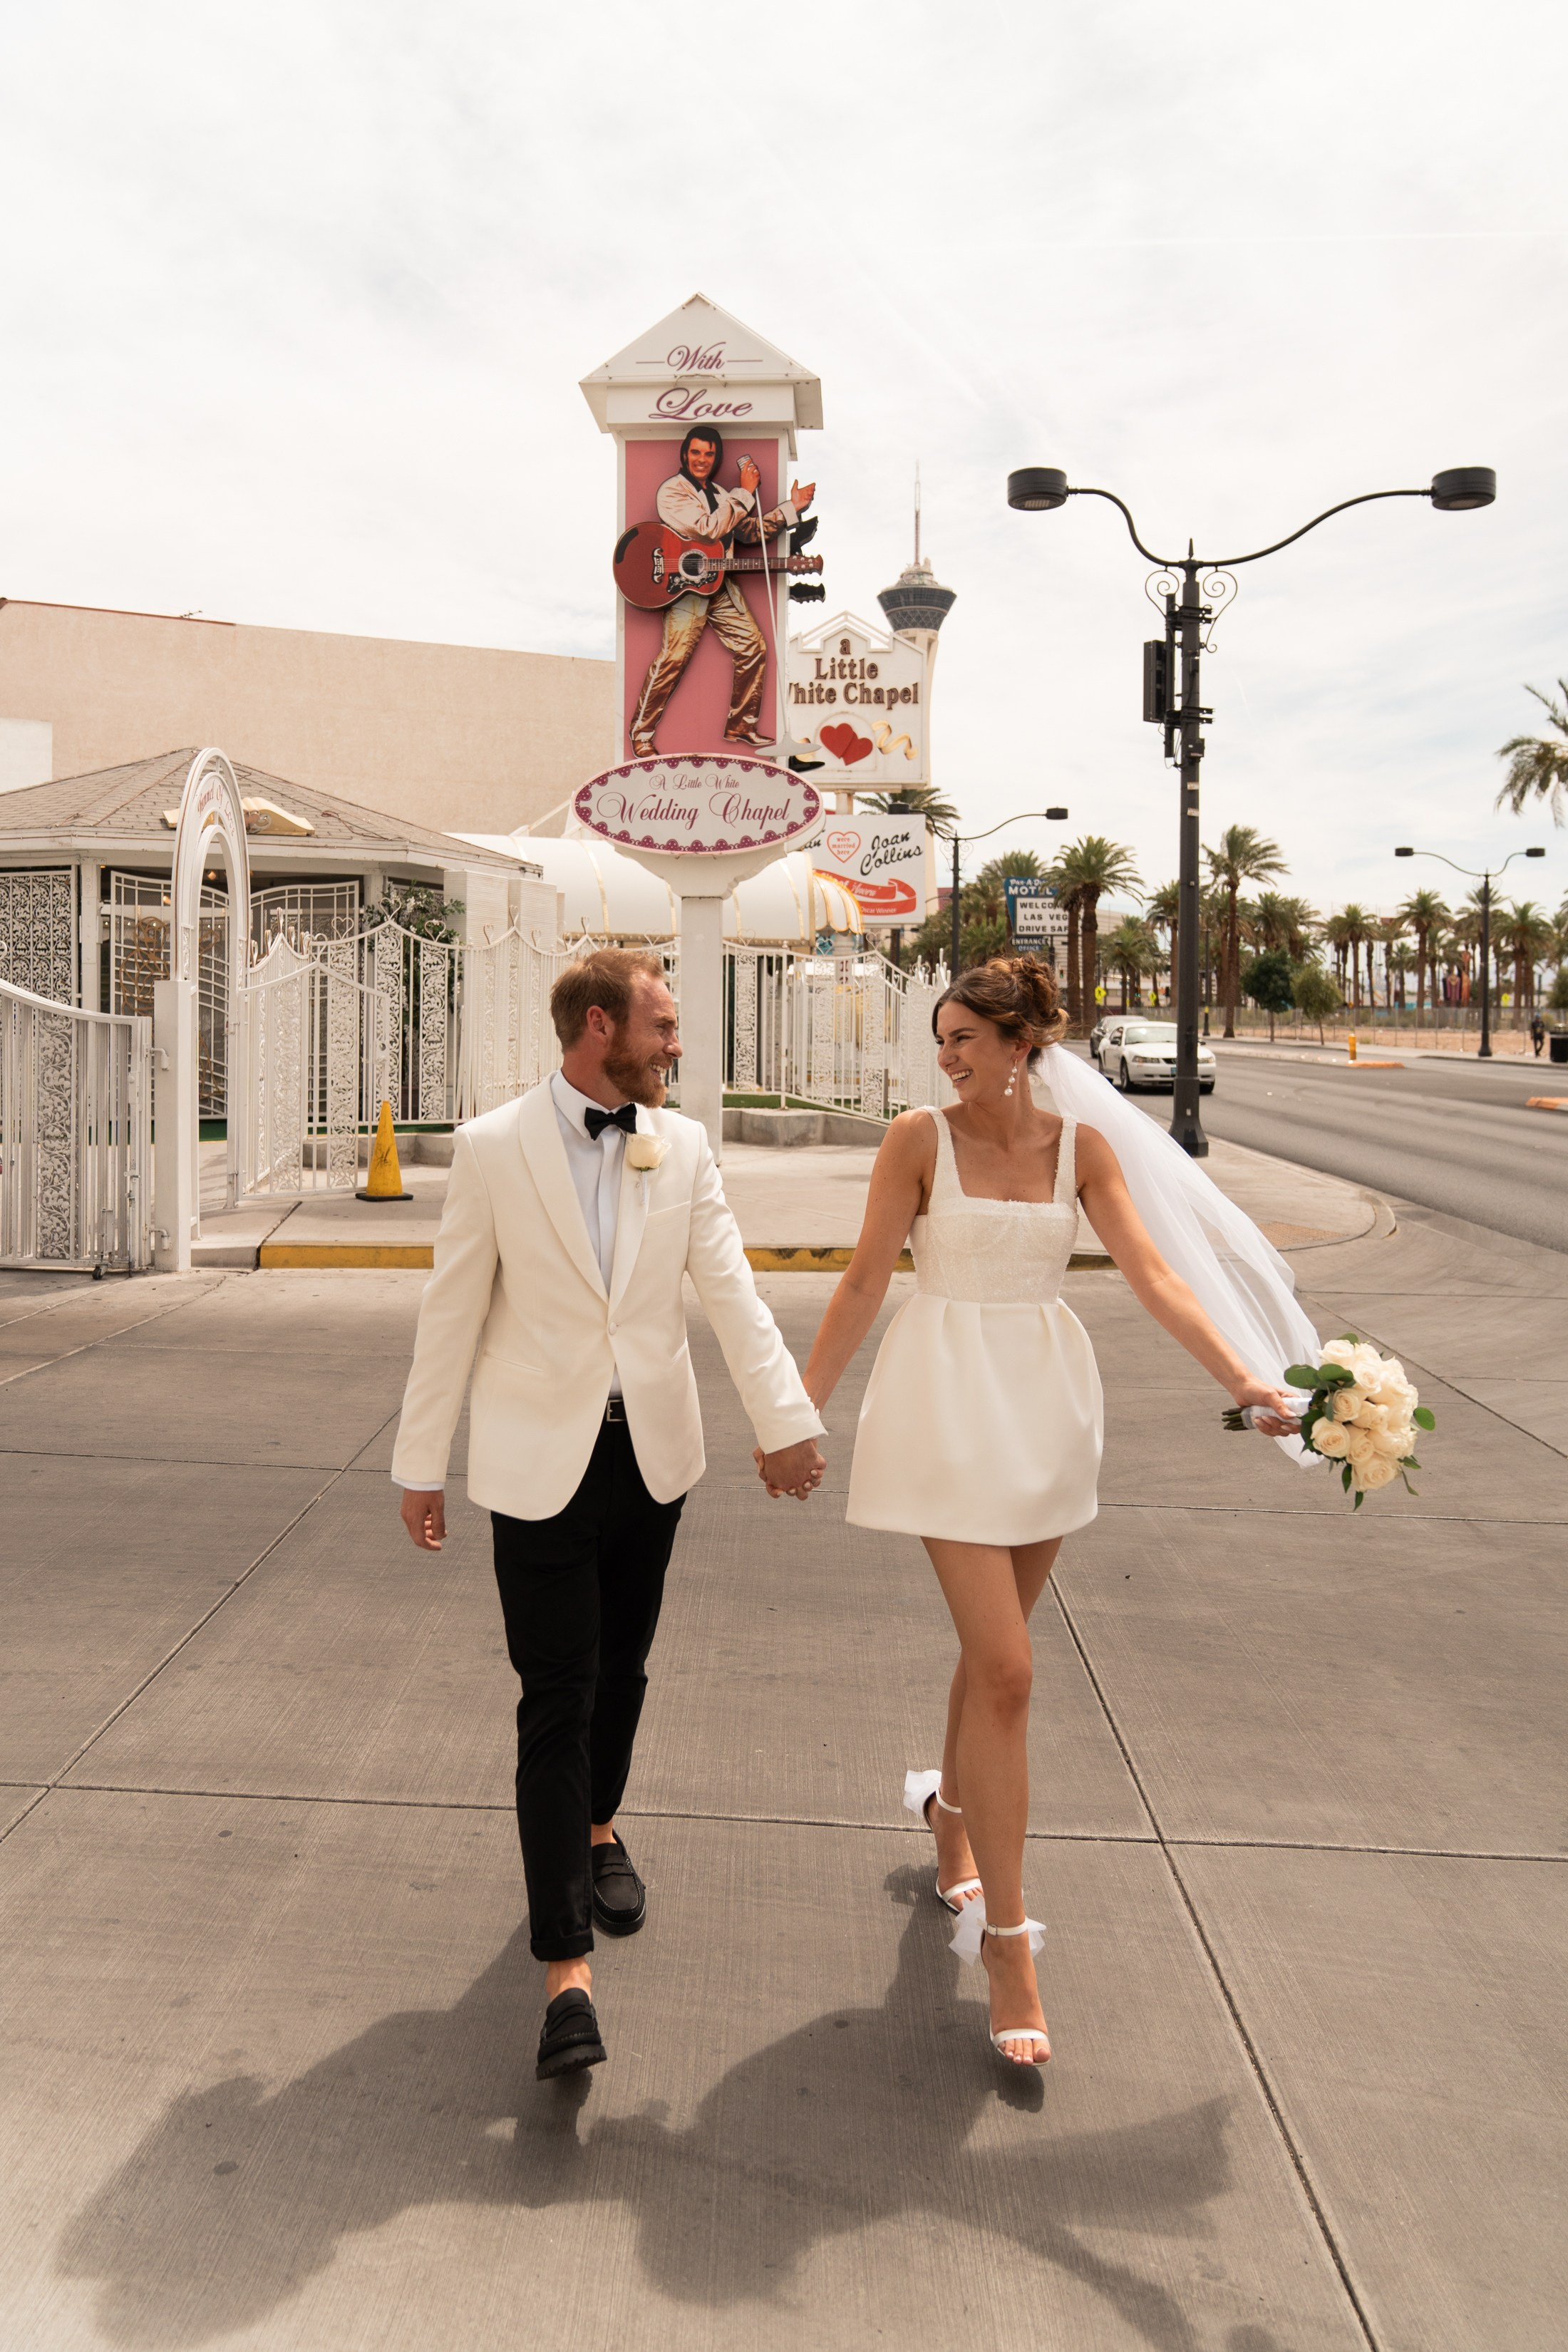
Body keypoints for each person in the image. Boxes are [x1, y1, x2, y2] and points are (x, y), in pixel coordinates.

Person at [780, 956, 1306, 2070]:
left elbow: (1158, 1277)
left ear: (1023, 1046)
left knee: (990, 1660)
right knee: (1013, 1669)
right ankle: (1009, 1944)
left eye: (965, 1037)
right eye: (945, 1038)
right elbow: (866, 1278)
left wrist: (1249, 1379)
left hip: (1048, 1408)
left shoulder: (1087, 1149)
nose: (946, 1056)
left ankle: (952, 1825)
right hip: (944, 1405)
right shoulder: (916, 1140)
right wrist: (798, 1410)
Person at [394, 949, 825, 2081]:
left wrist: (784, 1419)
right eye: (665, 1026)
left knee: (623, 1673)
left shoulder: (679, 1145)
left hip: (653, 1463)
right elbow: (450, 1312)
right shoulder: (493, 1151)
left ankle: (598, 1829)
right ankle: (565, 1977)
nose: (678, 1045)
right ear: (600, 1027)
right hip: (538, 1462)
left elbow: (730, 1289)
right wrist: (419, 1461)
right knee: (556, 1698)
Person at [629, 424, 815, 755]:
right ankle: (641, 734)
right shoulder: (672, 491)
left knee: (754, 647)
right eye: (696, 452)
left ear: (717, 458)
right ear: (685, 454)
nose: (702, 459)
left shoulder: (720, 494)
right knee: (673, 659)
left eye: (709, 454)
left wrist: (792, 509)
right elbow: (707, 531)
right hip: (683, 587)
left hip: (720, 583)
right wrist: (744, 492)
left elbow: (747, 532)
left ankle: (741, 724)